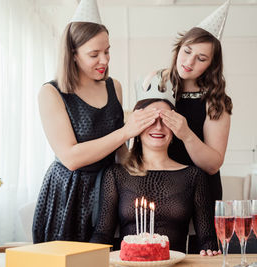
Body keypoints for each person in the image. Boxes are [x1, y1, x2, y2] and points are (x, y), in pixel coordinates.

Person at [32, 0, 159, 243]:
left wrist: (146, 167)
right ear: (73, 54)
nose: (104, 60)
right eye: (94, 54)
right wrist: (126, 131)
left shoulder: (114, 87)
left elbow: (120, 152)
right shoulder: (51, 93)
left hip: (109, 190)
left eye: (107, 51)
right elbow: (71, 158)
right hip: (69, 194)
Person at [146, 1, 233, 252]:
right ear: (179, 47)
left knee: (200, 254)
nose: (189, 61)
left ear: (211, 65)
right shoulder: (156, 83)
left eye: (201, 58)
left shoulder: (216, 102)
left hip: (202, 195)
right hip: (162, 187)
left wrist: (185, 134)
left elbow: (212, 163)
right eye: (187, 51)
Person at [90, 97, 218, 256]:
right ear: (136, 128)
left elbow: (207, 238)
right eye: (150, 120)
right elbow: (102, 234)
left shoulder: (194, 176)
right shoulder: (116, 174)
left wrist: (211, 252)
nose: (158, 127)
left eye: (166, 121)